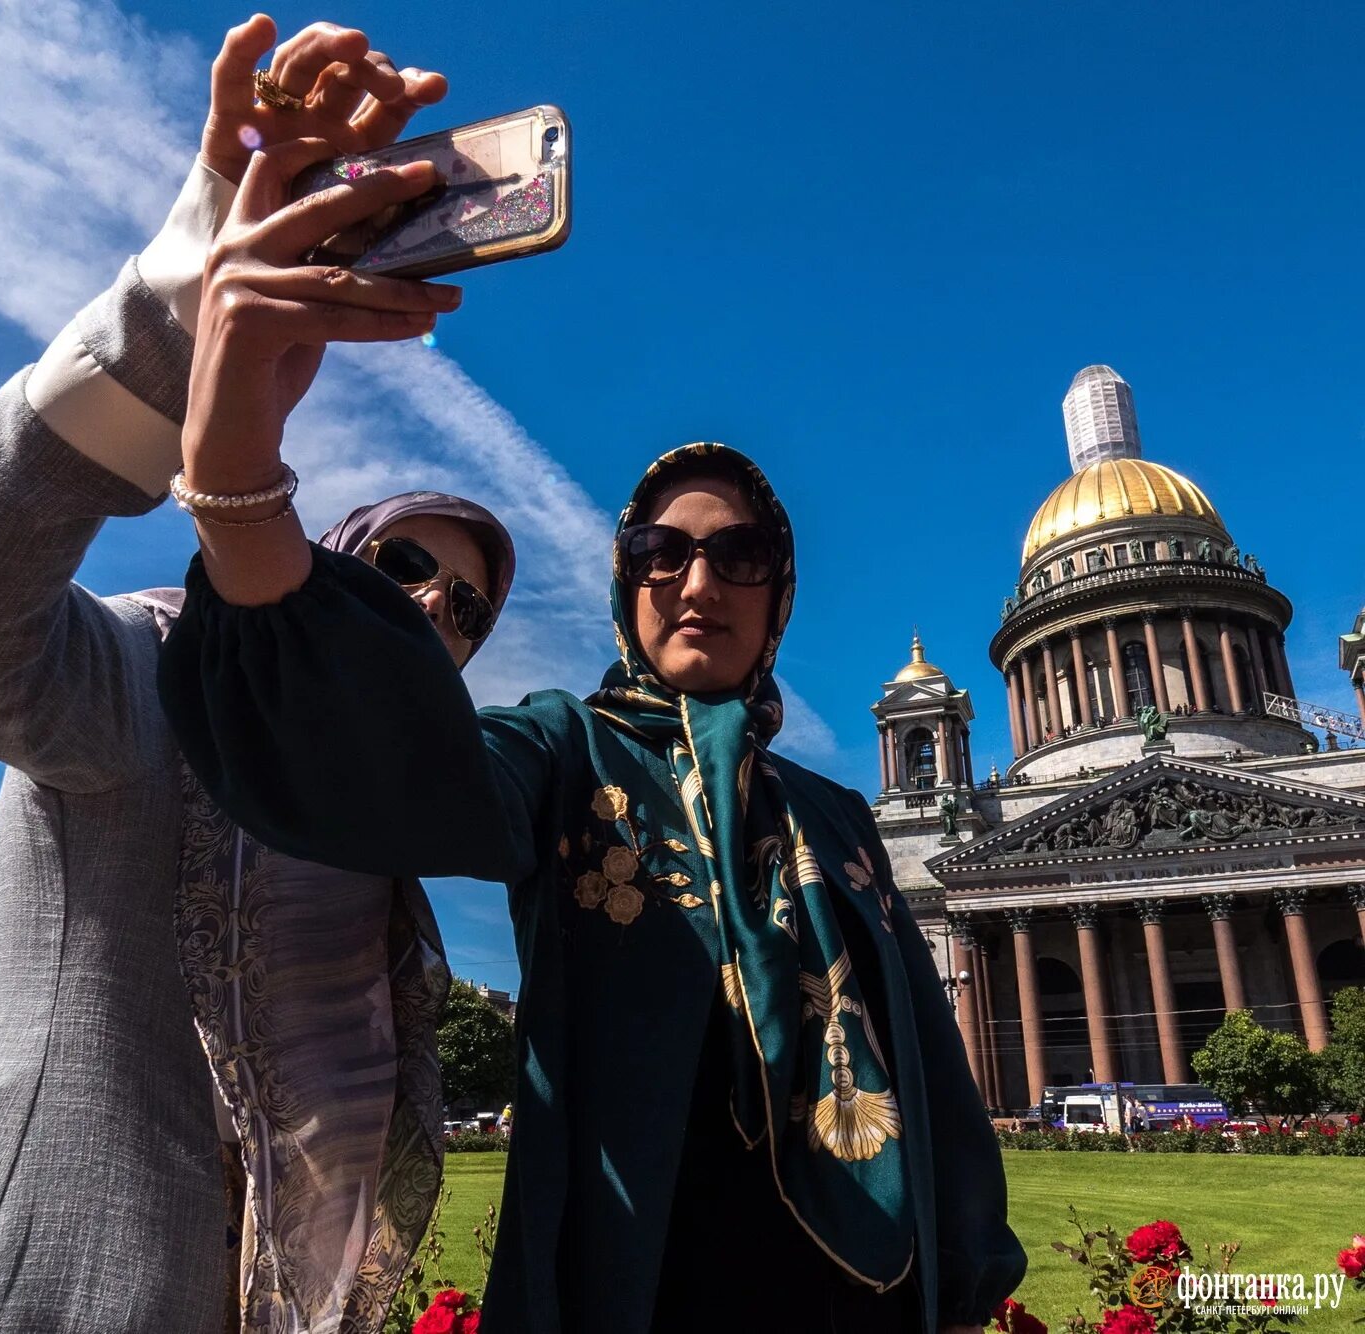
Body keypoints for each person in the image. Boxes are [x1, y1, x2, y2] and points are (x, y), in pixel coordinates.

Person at [153, 122, 1027, 1333]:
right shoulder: (564, 750)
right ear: (626, 589)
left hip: (862, 1298)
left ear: (779, 598)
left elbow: (928, 1069)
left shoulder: (833, 818)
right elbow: (398, 772)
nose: (696, 581)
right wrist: (235, 463)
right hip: (645, 1280)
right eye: (659, 553)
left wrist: (972, 1277)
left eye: (739, 555)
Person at [0, 19, 517, 1334]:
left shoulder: (385, 823)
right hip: (15, 1288)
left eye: (466, 605)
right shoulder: (161, 665)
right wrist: (182, 312)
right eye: (400, 563)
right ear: (327, 554)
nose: (435, 608)